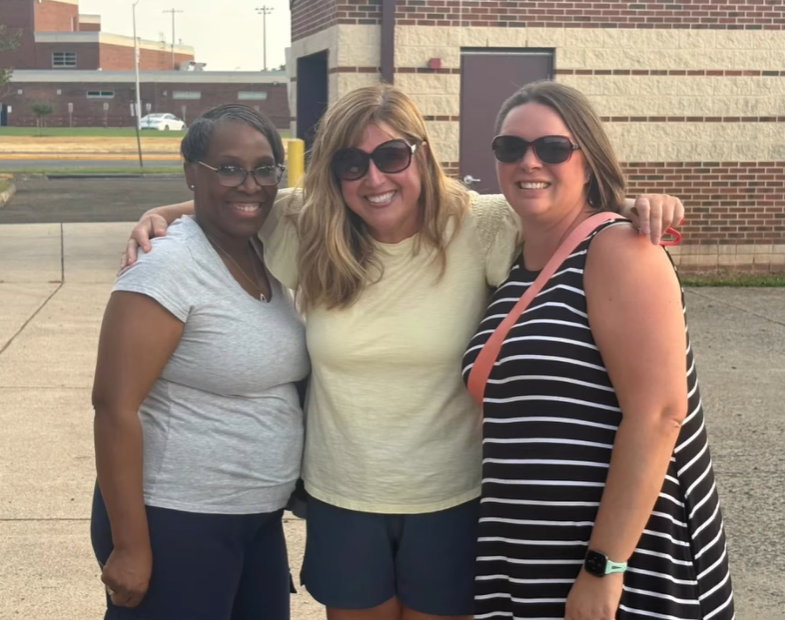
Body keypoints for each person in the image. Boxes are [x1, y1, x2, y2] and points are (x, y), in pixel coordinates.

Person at [121, 84, 684, 620]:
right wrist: (163, 216)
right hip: (343, 498)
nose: (373, 178)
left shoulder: (479, 223)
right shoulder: (309, 225)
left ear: (422, 154)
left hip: (452, 497)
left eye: (393, 156)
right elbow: (234, 199)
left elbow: (564, 210)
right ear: (333, 176)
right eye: (350, 164)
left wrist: (637, 205)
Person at [462, 81, 734, 620]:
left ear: (588, 160)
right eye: (509, 148)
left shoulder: (618, 248)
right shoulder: (518, 269)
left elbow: (659, 415)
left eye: (553, 148)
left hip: (627, 564)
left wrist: (604, 569)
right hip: (528, 558)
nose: (528, 161)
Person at [91, 104, 309, 620]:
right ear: (192, 172)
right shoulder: (166, 266)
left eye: (264, 169)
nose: (249, 184)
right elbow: (113, 407)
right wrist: (130, 547)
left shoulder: (260, 249)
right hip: (174, 520)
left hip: (252, 519)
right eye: (228, 168)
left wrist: (165, 209)